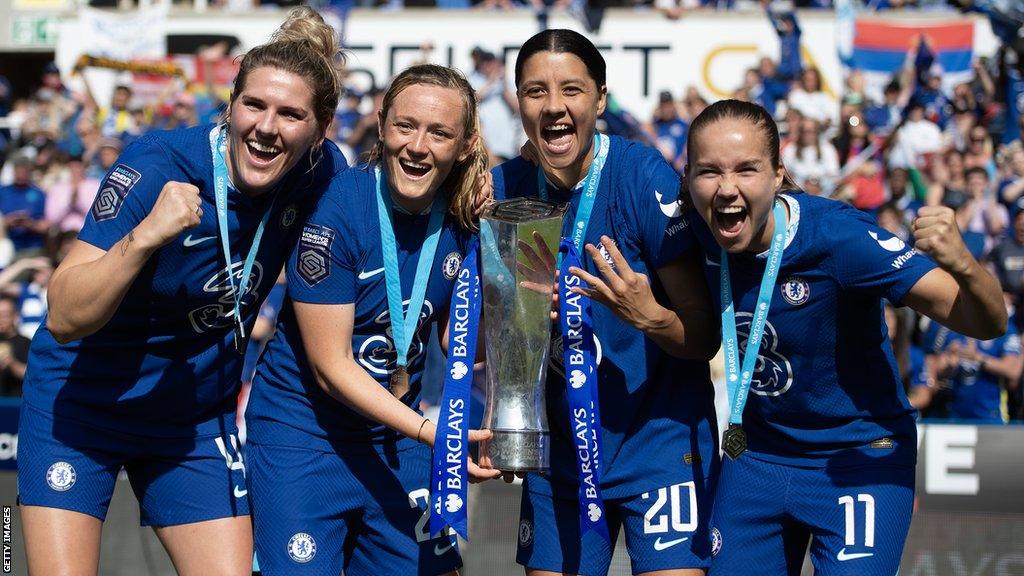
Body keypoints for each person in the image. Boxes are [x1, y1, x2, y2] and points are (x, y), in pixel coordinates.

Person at [586, 99, 1006, 576]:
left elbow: (986, 323)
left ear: (778, 174)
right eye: (709, 172)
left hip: (857, 457)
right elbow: (608, 176)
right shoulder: (695, 234)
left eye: (747, 169)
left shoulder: (838, 239)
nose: (727, 189)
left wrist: (965, 263)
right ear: (687, 180)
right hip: (757, 457)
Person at [16, 8, 348, 575]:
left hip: (192, 420)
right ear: (230, 103)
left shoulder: (322, 173)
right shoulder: (159, 164)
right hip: (82, 402)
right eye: (254, 105)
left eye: (291, 115)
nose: (267, 127)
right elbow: (65, 314)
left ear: (321, 129)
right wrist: (146, 238)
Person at [245, 63, 498, 576]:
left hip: (394, 437)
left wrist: (519, 322)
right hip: (305, 437)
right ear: (382, 125)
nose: (418, 146)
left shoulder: (465, 217)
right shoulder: (337, 210)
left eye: (439, 132)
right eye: (405, 126)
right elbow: (330, 368)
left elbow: (459, 341)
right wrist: (437, 434)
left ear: (466, 145)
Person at [492, 29, 719, 576]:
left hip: (658, 445)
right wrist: (511, 326)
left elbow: (703, 335)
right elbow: (475, 347)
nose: (553, 108)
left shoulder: (642, 176)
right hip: (560, 457)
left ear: (599, 97)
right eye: (534, 91)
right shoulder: (505, 187)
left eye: (571, 89)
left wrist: (652, 317)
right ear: (518, 102)